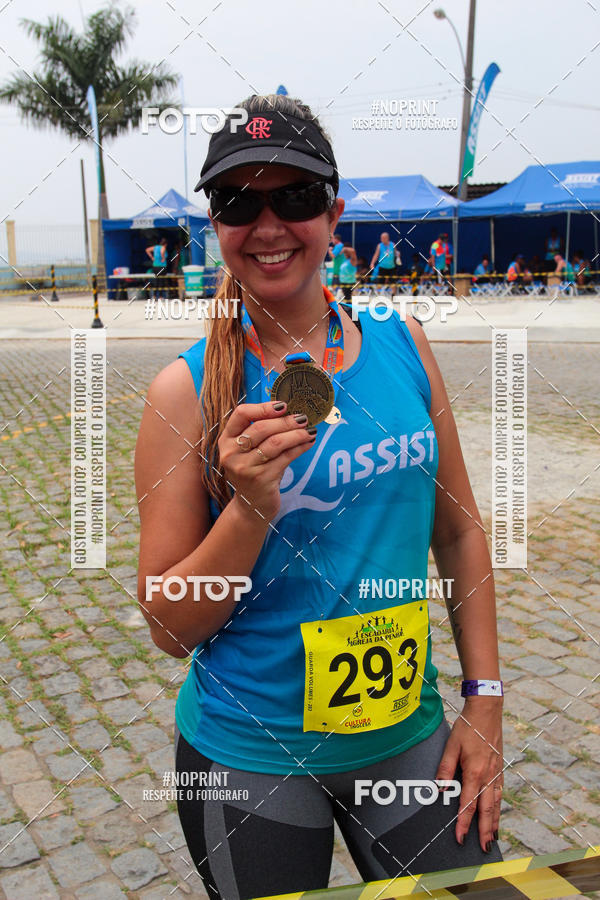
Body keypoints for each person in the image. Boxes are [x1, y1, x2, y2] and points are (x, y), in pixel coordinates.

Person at [135, 93, 503, 900]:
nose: (268, 225)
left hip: (407, 740)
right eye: (239, 201)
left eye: (294, 197)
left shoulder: (405, 343)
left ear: (335, 213)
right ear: (216, 223)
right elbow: (168, 622)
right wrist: (252, 505)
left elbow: (461, 532)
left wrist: (485, 701)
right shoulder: (184, 391)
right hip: (249, 754)